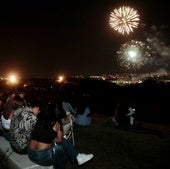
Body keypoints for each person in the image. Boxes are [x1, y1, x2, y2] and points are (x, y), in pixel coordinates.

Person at [28, 103, 94, 169]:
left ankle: (78, 156)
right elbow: (59, 140)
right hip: (42, 157)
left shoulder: (39, 119)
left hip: (30, 153)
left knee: (59, 145)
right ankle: (78, 156)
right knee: (63, 155)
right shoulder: (57, 123)